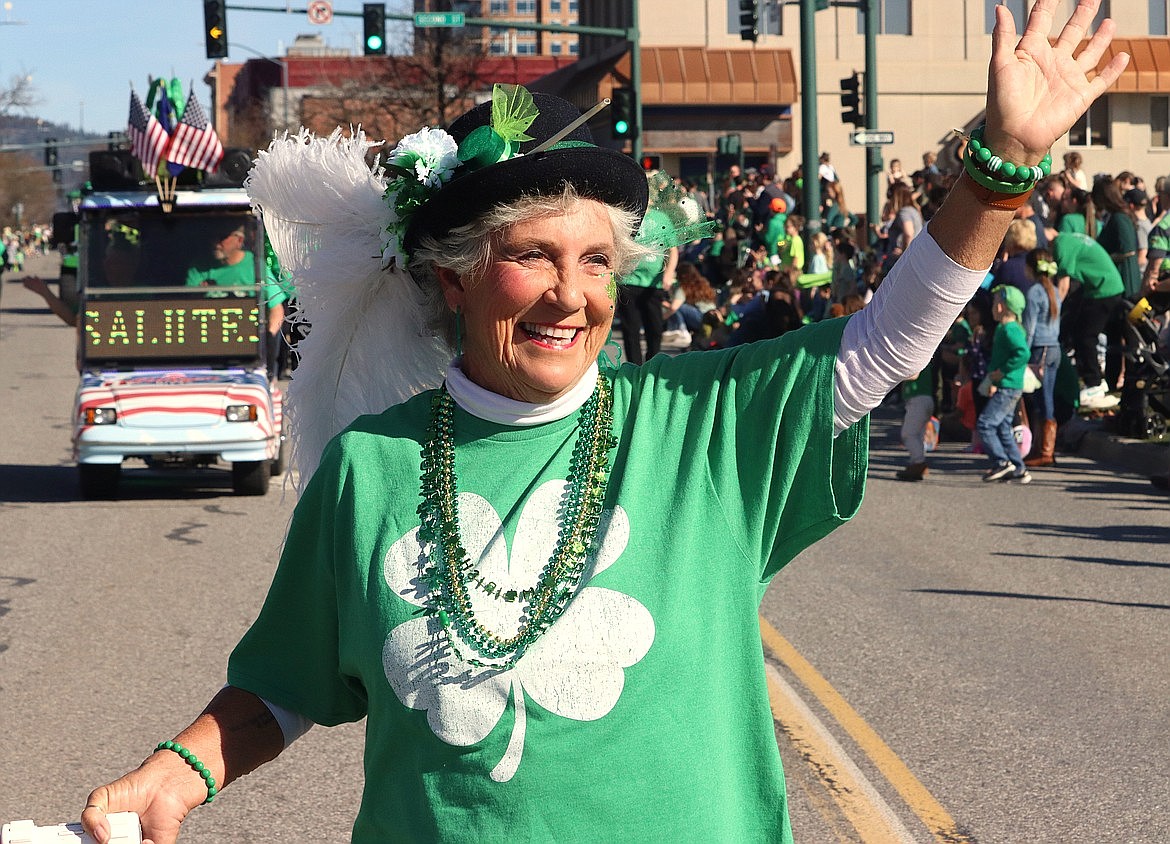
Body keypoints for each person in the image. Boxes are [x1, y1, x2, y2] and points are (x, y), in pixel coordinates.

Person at [80, 4, 1127, 842]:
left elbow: (889, 339)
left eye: (593, 262)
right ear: (452, 280)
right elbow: (288, 684)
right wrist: (177, 771)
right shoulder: (373, 465)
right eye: (529, 255)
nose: (567, 295)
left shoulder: (702, 422)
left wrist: (999, 166)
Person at [186, 221, 293, 378]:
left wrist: (267, 339)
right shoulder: (199, 267)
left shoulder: (256, 267)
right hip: (207, 349)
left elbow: (276, 309)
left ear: (239, 240)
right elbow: (186, 308)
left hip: (246, 353)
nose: (216, 242)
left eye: (222, 237)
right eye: (213, 237)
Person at [977, 285, 1034, 484]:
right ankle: (1019, 468)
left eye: (994, 303)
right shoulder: (1007, 328)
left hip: (1008, 385)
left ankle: (1001, 462)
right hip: (1007, 385)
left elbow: (1023, 353)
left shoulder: (1010, 330)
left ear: (1002, 306)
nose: (992, 307)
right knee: (1002, 427)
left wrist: (1003, 372)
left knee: (985, 424)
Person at [1021, 248, 1066, 467]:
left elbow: (1029, 329)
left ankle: (1045, 451)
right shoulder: (1054, 290)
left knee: (1043, 398)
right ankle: (1042, 448)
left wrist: (1023, 353)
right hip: (1054, 348)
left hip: (1040, 350)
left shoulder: (1034, 293)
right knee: (1044, 396)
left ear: (1031, 268)